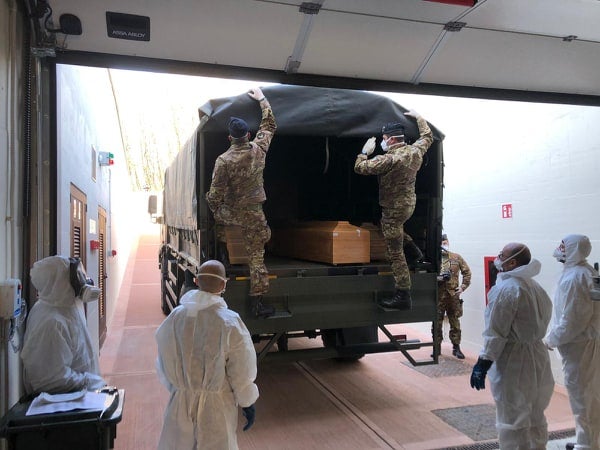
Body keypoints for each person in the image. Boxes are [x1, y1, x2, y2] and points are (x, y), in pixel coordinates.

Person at [155, 260, 259, 450]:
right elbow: (242, 367)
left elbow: (164, 356)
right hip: (216, 408)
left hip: (180, 403)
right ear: (223, 285)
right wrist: (247, 401)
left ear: (196, 281)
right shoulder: (229, 322)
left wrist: (179, 388)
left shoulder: (176, 316)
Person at [470, 243, 555, 449]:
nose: (498, 258)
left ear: (513, 262)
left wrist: (484, 362)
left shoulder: (507, 289)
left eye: (503, 255)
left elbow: (496, 331)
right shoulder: (535, 287)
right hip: (538, 356)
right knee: (535, 413)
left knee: (512, 416)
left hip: (515, 361)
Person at [206, 87, 277, 318]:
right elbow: (269, 126)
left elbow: (215, 194)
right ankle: (258, 304)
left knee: (218, 218)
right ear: (248, 135)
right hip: (255, 214)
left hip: (233, 214)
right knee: (257, 258)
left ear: (230, 138)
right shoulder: (259, 150)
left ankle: (223, 253)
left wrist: (216, 209)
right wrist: (262, 100)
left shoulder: (223, 161)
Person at [354, 110, 433, 309]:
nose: (382, 141)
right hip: (408, 205)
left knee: (395, 252)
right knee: (390, 228)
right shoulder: (415, 150)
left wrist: (364, 153)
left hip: (393, 207)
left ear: (389, 139)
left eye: (383, 139)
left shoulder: (388, 159)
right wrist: (418, 117)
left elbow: (360, 168)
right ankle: (415, 252)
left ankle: (403, 295)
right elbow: (427, 136)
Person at [544, 234, 600, 450]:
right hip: (578, 344)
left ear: (574, 249)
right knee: (585, 393)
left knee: (582, 395)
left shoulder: (576, 277)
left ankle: (587, 444)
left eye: (563, 246)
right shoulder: (580, 272)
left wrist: (550, 340)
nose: (559, 249)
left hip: (579, 345)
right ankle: (585, 440)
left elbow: (572, 320)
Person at [21, 255, 106, 394]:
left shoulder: (67, 306)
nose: (84, 281)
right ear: (60, 282)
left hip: (84, 396)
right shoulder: (51, 322)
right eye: (78, 277)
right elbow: (52, 380)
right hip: (70, 400)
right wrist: (87, 382)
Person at [433, 234, 471, 359]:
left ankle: (456, 347)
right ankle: (436, 347)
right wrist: (439, 278)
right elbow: (427, 276)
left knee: (455, 322)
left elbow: (467, 272)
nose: (444, 244)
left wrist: (463, 287)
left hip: (453, 295)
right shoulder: (434, 258)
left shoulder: (456, 257)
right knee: (437, 322)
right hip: (438, 295)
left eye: (445, 241)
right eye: (441, 242)